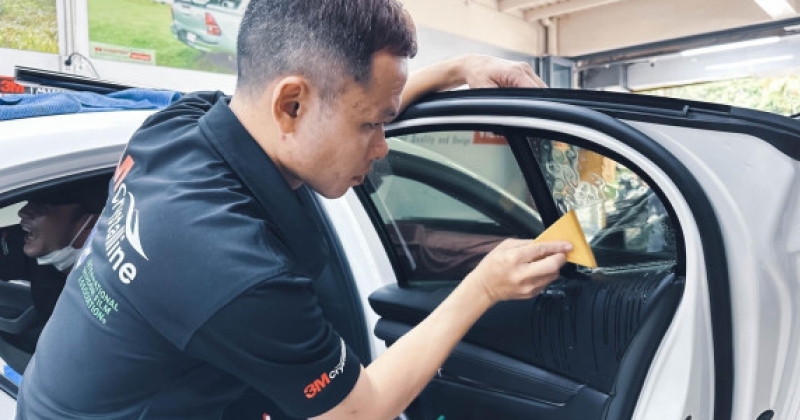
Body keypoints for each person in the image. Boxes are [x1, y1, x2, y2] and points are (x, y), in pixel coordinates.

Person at [16, 1, 573, 419]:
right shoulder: (230, 266)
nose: (382, 148)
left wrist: (456, 70)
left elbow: (330, 107)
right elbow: (358, 410)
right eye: (372, 125)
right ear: (291, 104)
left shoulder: (176, 127)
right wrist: (483, 287)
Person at [0, 180, 107, 371]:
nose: (22, 212)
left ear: (89, 227)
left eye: (41, 206)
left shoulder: (107, 294)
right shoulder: (41, 254)